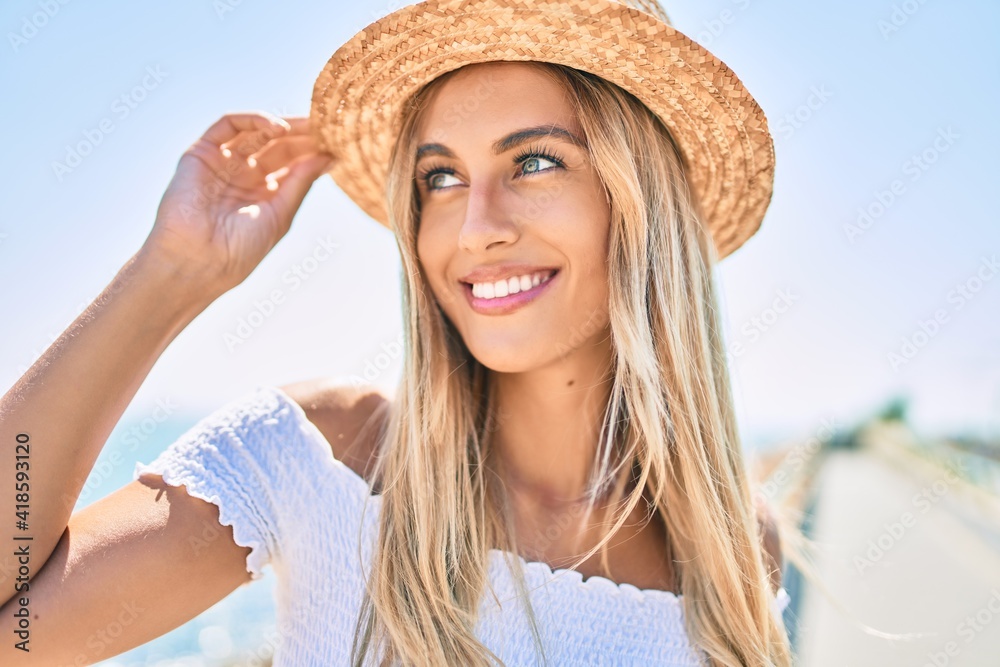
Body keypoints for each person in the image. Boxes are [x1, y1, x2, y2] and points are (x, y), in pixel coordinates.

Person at [0, 0, 801, 665]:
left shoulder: (729, 540)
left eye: (534, 163)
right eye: (441, 178)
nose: (475, 228)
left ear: (639, 202)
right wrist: (172, 273)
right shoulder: (327, 454)